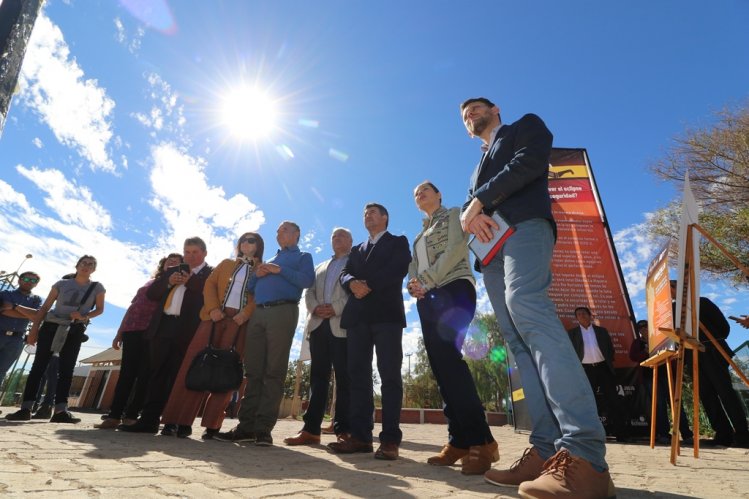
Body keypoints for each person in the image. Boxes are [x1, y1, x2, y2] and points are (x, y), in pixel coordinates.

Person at [458, 97, 614, 498]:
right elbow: (473, 208)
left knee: (530, 311)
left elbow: (528, 164)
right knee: (514, 341)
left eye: (475, 108)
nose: (470, 116)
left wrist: (477, 201)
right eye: (464, 116)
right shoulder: (477, 165)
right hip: (489, 253)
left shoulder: (525, 126)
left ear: (494, 109)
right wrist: (471, 212)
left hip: (525, 229)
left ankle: (585, 454)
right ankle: (546, 449)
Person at [406, 181, 498, 474]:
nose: (419, 195)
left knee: (450, 361)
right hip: (428, 298)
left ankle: (482, 441)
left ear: (439, 194)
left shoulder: (456, 214)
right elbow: (412, 269)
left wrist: (427, 279)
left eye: (425, 190)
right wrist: (413, 284)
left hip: (453, 288)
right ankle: (458, 441)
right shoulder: (418, 234)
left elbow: (457, 248)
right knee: (440, 367)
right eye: (416, 194)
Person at [216, 221, 314, 446]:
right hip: (258, 314)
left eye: (285, 229)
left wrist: (280, 270)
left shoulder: (303, 257)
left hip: (283, 310)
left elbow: (307, 280)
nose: (280, 233)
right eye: (278, 230)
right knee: (253, 372)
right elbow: (249, 287)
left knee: (274, 371)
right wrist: (257, 274)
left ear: (297, 234)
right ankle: (245, 427)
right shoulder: (269, 259)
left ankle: (263, 429)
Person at [328, 203, 411, 461]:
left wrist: (367, 285)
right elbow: (345, 272)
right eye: (364, 213)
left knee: (389, 376)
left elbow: (398, 268)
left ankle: (389, 440)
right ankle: (361, 437)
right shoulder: (356, 250)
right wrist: (352, 282)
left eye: (373, 212)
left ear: (385, 218)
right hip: (357, 319)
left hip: (386, 316)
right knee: (357, 377)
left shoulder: (398, 242)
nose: (367, 215)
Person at [160, 233, 263, 439]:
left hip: (239, 321)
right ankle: (177, 421)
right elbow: (210, 285)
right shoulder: (226, 264)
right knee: (195, 364)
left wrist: (246, 313)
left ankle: (213, 425)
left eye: (251, 240)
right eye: (243, 239)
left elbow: (261, 294)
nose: (246, 243)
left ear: (259, 246)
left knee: (227, 370)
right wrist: (214, 308)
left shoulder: (262, 269)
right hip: (214, 316)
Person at [120, 237, 213, 433]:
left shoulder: (210, 273)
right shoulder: (173, 270)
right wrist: (168, 282)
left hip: (188, 330)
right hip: (163, 327)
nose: (190, 256)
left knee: (179, 376)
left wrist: (191, 281)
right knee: (157, 374)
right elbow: (152, 294)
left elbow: (211, 296)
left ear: (204, 253)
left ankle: (174, 422)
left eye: (195, 252)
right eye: (187, 252)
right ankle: (149, 420)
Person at [6, 256, 105, 423]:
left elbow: (100, 310)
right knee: (38, 367)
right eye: (83, 263)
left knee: (66, 370)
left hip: (74, 330)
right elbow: (45, 307)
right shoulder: (61, 284)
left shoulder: (97, 287)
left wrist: (84, 315)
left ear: (94, 269)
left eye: (91, 264)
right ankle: (25, 408)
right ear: (77, 265)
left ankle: (60, 411)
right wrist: (34, 331)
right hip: (51, 327)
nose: (86, 266)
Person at [95, 253, 184, 429]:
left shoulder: (177, 285)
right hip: (132, 329)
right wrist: (119, 332)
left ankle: (132, 415)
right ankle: (114, 415)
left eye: (177, 262)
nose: (172, 263)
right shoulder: (150, 282)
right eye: (169, 260)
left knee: (144, 374)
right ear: (163, 264)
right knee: (126, 373)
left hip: (152, 332)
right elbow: (133, 306)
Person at [284, 227, 353, 447]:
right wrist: (315, 308)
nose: (337, 238)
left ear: (351, 241)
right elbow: (309, 292)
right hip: (318, 326)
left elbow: (354, 293)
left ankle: (344, 430)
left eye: (342, 235)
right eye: (334, 236)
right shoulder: (320, 266)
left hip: (341, 326)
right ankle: (311, 430)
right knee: (317, 378)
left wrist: (335, 308)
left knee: (344, 379)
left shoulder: (355, 264)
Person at [671, 280, 749, 448]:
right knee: (706, 395)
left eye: (671, 289)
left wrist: (709, 340)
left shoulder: (702, 302)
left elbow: (724, 328)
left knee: (725, 392)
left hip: (713, 350)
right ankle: (723, 434)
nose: (670, 294)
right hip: (692, 355)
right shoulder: (672, 311)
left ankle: (743, 434)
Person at [628, 320, 693, 445]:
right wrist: (645, 352)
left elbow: (674, 349)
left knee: (676, 404)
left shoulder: (662, 337)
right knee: (659, 406)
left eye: (646, 327)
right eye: (641, 329)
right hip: (650, 377)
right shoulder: (637, 343)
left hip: (668, 375)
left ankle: (686, 434)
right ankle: (664, 434)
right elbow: (633, 356)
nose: (644, 330)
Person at [567, 306, 627, 442]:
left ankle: (621, 433)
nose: (581, 315)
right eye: (578, 314)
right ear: (576, 319)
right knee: (587, 402)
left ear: (590, 316)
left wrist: (608, 362)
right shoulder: (572, 334)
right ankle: (589, 435)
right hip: (585, 371)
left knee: (613, 400)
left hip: (603, 368)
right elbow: (570, 353)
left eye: (583, 313)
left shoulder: (601, 331)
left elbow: (610, 349)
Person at [0, 272, 42, 384]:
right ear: (19, 280)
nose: (29, 282)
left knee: (1, 371)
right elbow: (2, 310)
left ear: (36, 284)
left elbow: (36, 317)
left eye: (33, 280)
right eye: (27, 278)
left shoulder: (36, 299)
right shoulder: (5, 294)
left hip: (16, 340)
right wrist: (27, 313)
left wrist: (14, 307)